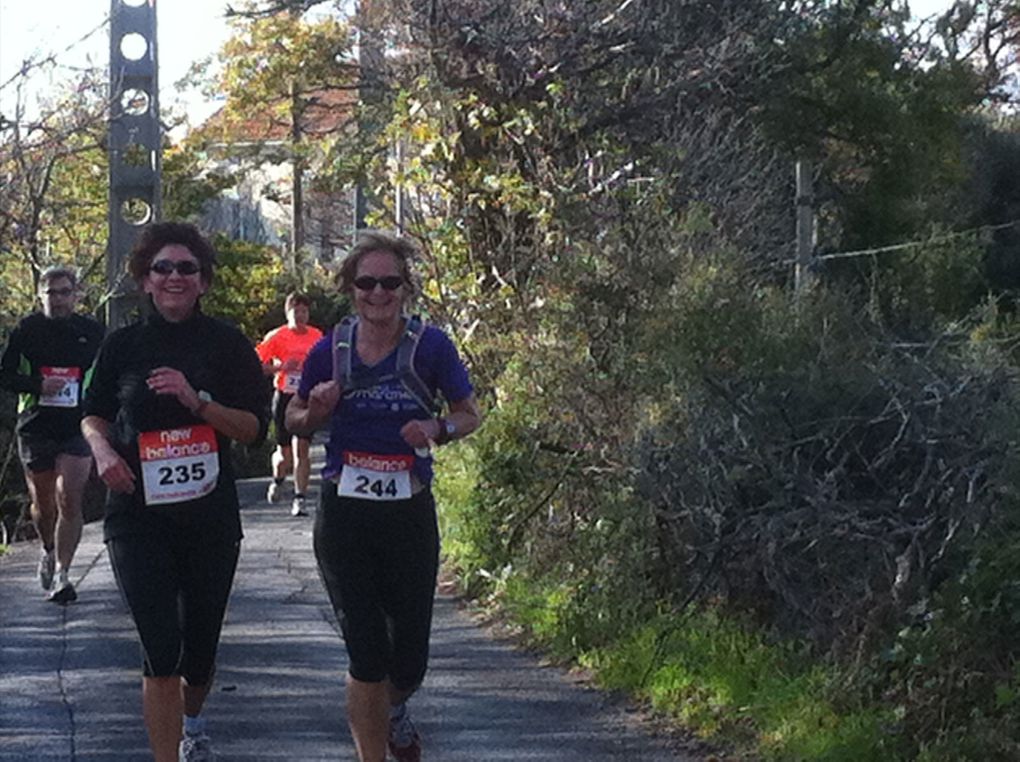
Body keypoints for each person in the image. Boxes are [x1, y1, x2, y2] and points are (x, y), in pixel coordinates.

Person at [286, 231, 482, 762]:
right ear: (350, 289)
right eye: (367, 282)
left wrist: (437, 429)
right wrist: (318, 410)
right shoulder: (332, 349)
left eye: (389, 282)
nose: (378, 293)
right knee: (367, 653)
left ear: (405, 288)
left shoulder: (431, 346)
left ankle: (395, 708)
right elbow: (292, 418)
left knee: (409, 661)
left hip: (407, 512)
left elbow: (470, 414)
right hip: (346, 512)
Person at [80, 222, 269, 762]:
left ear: (204, 281)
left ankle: (194, 721)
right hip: (137, 516)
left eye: (186, 268)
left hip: (208, 516)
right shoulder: (122, 344)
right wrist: (105, 452)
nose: (174, 277)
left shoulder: (227, 344)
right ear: (144, 280)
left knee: (199, 653)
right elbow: (92, 414)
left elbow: (255, 429)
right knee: (161, 650)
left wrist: (199, 402)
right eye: (162, 268)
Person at [0, 266, 104, 603]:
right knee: (43, 505)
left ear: (76, 295)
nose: (57, 300)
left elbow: (109, 376)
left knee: (69, 497)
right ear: (39, 296)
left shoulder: (92, 332)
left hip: (78, 426)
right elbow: (5, 374)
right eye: (50, 293)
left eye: (63, 292)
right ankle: (47, 548)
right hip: (35, 426)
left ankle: (63, 574)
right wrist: (37, 385)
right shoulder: (27, 330)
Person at [255, 291, 323, 517]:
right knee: (285, 454)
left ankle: (299, 499)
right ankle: (278, 478)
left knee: (302, 448)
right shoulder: (277, 336)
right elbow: (256, 365)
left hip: (304, 398)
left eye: (304, 311)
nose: (301, 315)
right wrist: (281, 368)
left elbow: (326, 363)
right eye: (296, 311)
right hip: (284, 396)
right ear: (288, 313)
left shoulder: (316, 336)